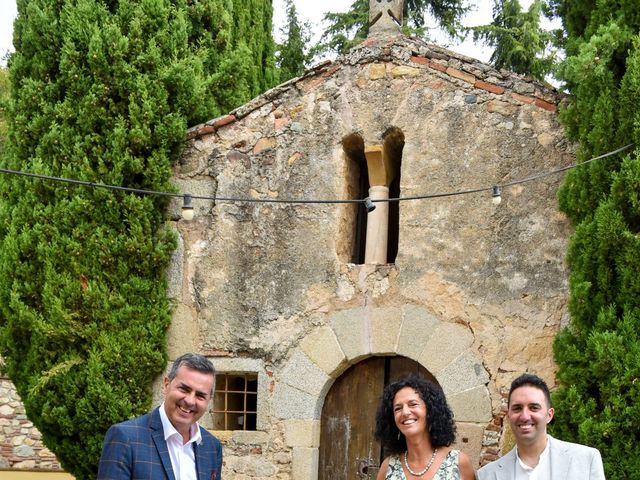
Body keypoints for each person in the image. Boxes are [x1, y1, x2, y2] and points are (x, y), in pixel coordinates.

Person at [97, 352, 223, 480]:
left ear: (209, 400)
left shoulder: (212, 446)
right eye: (184, 389)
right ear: (166, 384)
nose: (190, 401)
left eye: (200, 395)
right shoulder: (125, 438)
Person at [477, 373, 605, 480]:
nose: (525, 416)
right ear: (509, 415)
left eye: (534, 408)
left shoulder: (586, 460)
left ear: (549, 415)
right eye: (517, 408)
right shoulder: (487, 475)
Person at [374, 374, 475, 480]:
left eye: (413, 404)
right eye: (398, 408)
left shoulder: (458, 463)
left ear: (430, 411)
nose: (405, 412)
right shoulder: (388, 467)